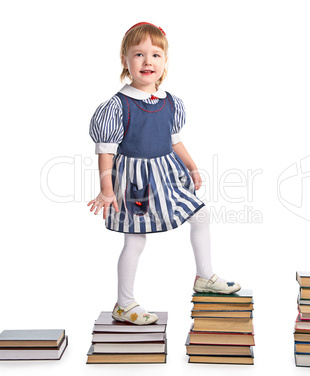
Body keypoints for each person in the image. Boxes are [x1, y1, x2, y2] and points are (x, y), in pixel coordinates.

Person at [88, 22, 240, 325]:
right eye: (139, 54)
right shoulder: (118, 106)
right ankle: (124, 303)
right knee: (135, 240)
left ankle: (205, 275)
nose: (148, 62)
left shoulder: (170, 103)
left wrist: (192, 166)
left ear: (165, 62)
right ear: (125, 60)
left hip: (168, 176)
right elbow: (106, 151)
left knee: (199, 214)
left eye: (156, 55)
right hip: (136, 183)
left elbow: (175, 140)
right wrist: (107, 188)